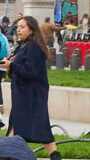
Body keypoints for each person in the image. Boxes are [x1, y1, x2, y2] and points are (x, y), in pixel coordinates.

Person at [6, 17, 54, 147]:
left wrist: (11, 65)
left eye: (22, 27)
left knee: (36, 129)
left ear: (32, 30)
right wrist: (8, 65)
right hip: (22, 95)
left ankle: (11, 158)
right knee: (38, 129)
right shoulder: (22, 46)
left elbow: (31, 71)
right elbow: (16, 70)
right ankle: (54, 159)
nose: (18, 30)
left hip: (31, 95)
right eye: (17, 27)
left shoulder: (34, 48)